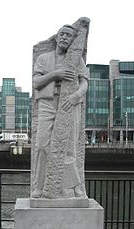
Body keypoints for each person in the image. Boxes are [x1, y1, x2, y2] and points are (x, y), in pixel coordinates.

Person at [32, 24, 88, 198]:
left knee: (70, 147)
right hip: (47, 102)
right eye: (62, 34)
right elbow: (36, 83)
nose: (64, 37)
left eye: (69, 36)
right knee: (42, 145)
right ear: (57, 37)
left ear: (72, 40)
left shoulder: (76, 59)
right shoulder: (43, 58)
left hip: (69, 103)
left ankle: (75, 186)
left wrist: (76, 96)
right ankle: (39, 186)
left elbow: (84, 82)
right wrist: (56, 74)